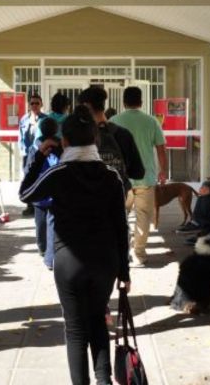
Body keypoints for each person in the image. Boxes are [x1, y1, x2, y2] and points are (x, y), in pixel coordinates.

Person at [19, 105, 131, 385]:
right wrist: (125, 272)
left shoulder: (59, 174)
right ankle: (104, 381)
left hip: (69, 260)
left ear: (64, 140)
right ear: (95, 140)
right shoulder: (111, 177)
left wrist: (38, 156)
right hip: (105, 261)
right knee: (98, 323)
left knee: (76, 330)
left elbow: (26, 193)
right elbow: (121, 226)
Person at [110, 86, 167, 267]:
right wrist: (163, 171)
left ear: (124, 102)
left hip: (120, 179)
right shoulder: (151, 121)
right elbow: (161, 149)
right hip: (146, 178)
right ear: (141, 102)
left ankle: (121, 252)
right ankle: (139, 255)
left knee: (120, 216)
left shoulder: (114, 121)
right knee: (143, 217)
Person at [77, 86, 145, 195]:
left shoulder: (80, 136)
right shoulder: (123, 134)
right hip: (117, 196)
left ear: (86, 106)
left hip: (88, 198)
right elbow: (138, 173)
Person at [25, 117, 62, 269]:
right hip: (55, 191)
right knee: (52, 224)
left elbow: (29, 169)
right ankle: (50, 257)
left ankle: (42, 248)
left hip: (39, 192)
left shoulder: (35, 147)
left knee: (39, 223)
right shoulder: (60, 145)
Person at [19, 94, 47, 216]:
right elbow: (20, 136)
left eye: (37, 103)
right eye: (32, 103)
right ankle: (29, 205)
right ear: (29, 105)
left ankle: (38, 204)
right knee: (28, 178)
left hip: (40, 154)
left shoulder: (45, 119)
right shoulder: (24, 119)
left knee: (39, 178)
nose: (34, 105)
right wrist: (23, 151)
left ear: (41, 104)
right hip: (27, 154)